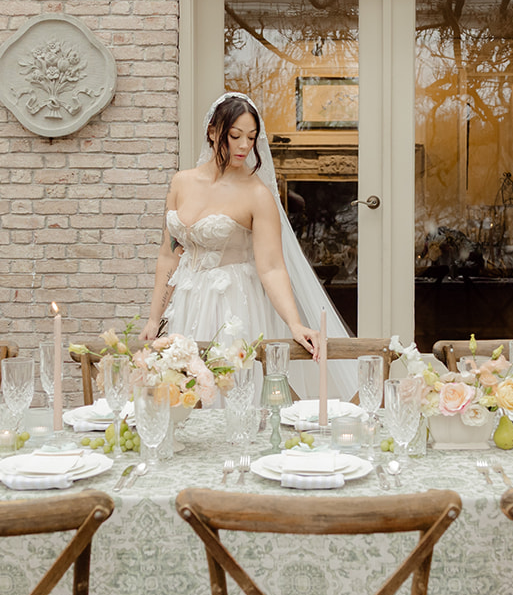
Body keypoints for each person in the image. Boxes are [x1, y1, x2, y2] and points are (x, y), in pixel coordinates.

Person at [143, 93, 354, 395]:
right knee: (182, 389)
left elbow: (271, 268)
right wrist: (154, 319)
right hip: (186, 304)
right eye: (235, 135)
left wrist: (295, 324)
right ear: (213, 132)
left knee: (231, 390)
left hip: (232, 305)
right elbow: (169, 255)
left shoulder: (257, 194)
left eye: (251, 138)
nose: (244, 146)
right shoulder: (181, 183)